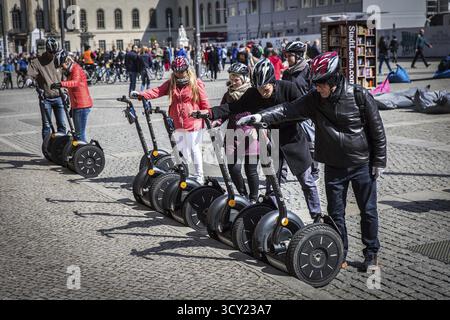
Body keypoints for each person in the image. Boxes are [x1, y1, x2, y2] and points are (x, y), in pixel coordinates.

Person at [238, 51, 387, 271]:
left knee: (368, 210)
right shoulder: (315, 99)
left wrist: (379, 162)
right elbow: (288, 110)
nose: (317, 88)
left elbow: (378, 131)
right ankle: (340, 252)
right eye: (315, 84)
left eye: (321, 84)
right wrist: (261, 117)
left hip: (361, 164)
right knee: (336, 214)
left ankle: (371, 253)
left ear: (334, 78)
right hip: (334, 165)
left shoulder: (359, 96)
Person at [201, 59, 322, 222]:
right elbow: (233, 107)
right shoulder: (253, 93)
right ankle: (273, 216)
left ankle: (317, 216)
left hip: (293, 138)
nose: (262, 92)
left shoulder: (289, 88)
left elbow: (303, 111)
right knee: (272, 183)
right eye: (258, 88)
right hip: (273, 139)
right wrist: (209, 112)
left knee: (306, 180)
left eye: (265, 88)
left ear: (272, 81)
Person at [130, 57, 211, 183]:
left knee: (194, 148)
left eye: (181, 71)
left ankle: (199, 175)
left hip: (193, 121)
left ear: (187, 69)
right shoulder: (171, 82)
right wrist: (141, 94)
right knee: (181, 150)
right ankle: (185, 175)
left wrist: (203, 113)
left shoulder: (196, 83)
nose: (179, 74)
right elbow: (157, 91)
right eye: (176, 71)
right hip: (176, 121)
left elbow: (205, 103)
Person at [282, 41, 320, 182]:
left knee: (310, 143)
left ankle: (314, 170)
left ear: (298, 56)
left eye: (289, 55)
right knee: (285, 142)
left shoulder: (308, 70)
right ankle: (283, 174)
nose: (286, 58)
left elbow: (314, 91)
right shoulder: (286, 73)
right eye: (286, 55)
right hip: (289, 112)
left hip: (305, 114)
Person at [221, 63, 258, 202]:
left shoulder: (253, 93)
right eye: (231, 79)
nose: (233, 82)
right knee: (234, 169)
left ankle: (254, 199)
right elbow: (223, 111)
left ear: (244, 78)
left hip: (250, 135)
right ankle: (243, 195)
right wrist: (216, 121)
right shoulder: (228, 95)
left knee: (251, 170)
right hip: (232, 135)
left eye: (236, 79)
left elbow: (260, 112)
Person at [25, 37, 66, 139]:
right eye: (51, 53)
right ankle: (47, 149)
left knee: (62, 125)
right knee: (47, 125)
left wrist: (65, 91)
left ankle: (61, 148)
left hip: (59, 97)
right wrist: (29, 79)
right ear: (47, 50)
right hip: (46, 98)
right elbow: (30, 74)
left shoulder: (58, 60)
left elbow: (64, 77)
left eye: (55, 53)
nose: (53, 55)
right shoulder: (37, 62)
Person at [51, 50, 93, 142]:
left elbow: (76, 82)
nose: (62, 68)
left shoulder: (76, 68)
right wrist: (72, 108)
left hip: (82, 105)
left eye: (62, 66)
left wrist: (61, 84)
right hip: (77, 105)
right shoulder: (70, 71)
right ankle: (79, 153)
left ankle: (83, 153)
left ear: (67, 61)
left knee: (79, 134)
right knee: (77, 134)